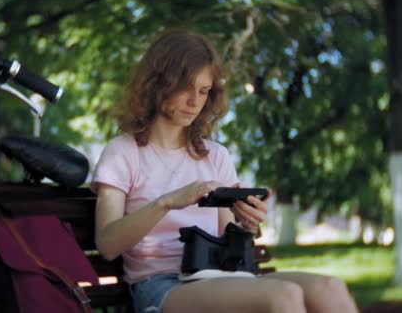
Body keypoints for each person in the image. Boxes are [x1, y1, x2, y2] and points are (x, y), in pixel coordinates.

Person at [91, 29, 359, 313]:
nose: (195, 101)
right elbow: (107, 244)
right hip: (160, 285)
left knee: (331, 288)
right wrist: (167, 202)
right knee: (283, 296)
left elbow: (225, 234)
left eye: (204, 91)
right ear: (158, 84)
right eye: (186, 87)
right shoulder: (123, 152)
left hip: (216, 274)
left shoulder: (215, 155)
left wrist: (247, 225)